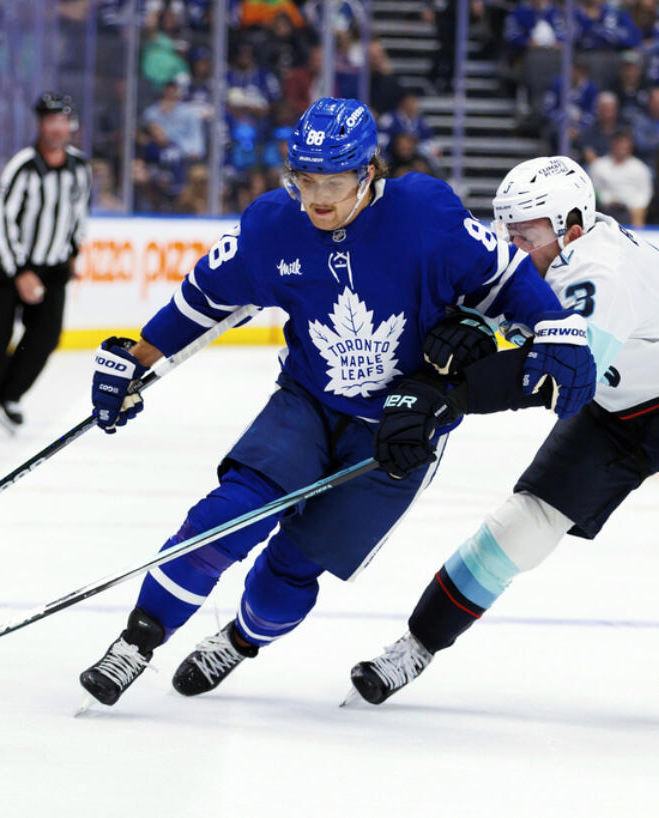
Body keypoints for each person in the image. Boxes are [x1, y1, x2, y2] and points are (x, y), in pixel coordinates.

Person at [77, 99, 596, 708]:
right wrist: (135, 359)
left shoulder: (426, 214)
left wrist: (560, 328)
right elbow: (202, 296)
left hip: (402, 423)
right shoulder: (272, 225)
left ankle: (241, 640)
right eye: (306, 180)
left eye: (335, 181)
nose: (318, 197)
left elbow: (507, 277)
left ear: (369, 171)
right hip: (308, 402)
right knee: (225, 516)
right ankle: (136, 642)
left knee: (294, 566)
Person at [349, 156, 659, 725]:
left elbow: (559, 373)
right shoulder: (548, 260)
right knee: (520, 527)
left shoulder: (598, 268)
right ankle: (417, 645)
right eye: (506, 233)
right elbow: (516, 326)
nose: (513, 247)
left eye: (525, 235)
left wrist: (450, 396)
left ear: (571, 227)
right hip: (617, 412)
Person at [0, 93, 90, 434]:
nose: (57, 128)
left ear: (71, 126)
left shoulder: (79, 168)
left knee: (46, 337)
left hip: (52, 265)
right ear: (40, 125)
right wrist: (19, 271)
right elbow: (1, 221)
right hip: (6, 265)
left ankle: (9, 396)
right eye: (50, 121)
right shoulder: (22, 166)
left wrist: (74, 251)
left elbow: (79, 214)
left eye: (62, 121)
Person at [588, 131, 653, 227]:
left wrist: (635, 206)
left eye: (624, 145)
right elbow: (594, 190)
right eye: (619, 144)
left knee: (639, 212)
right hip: (605, 206)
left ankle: (637, 237)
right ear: (613, 145)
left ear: (630, 147)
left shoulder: (639, 168)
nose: (621, 148)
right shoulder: (599, 166)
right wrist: (607, 200)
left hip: (631, 208)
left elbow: (644, 192)